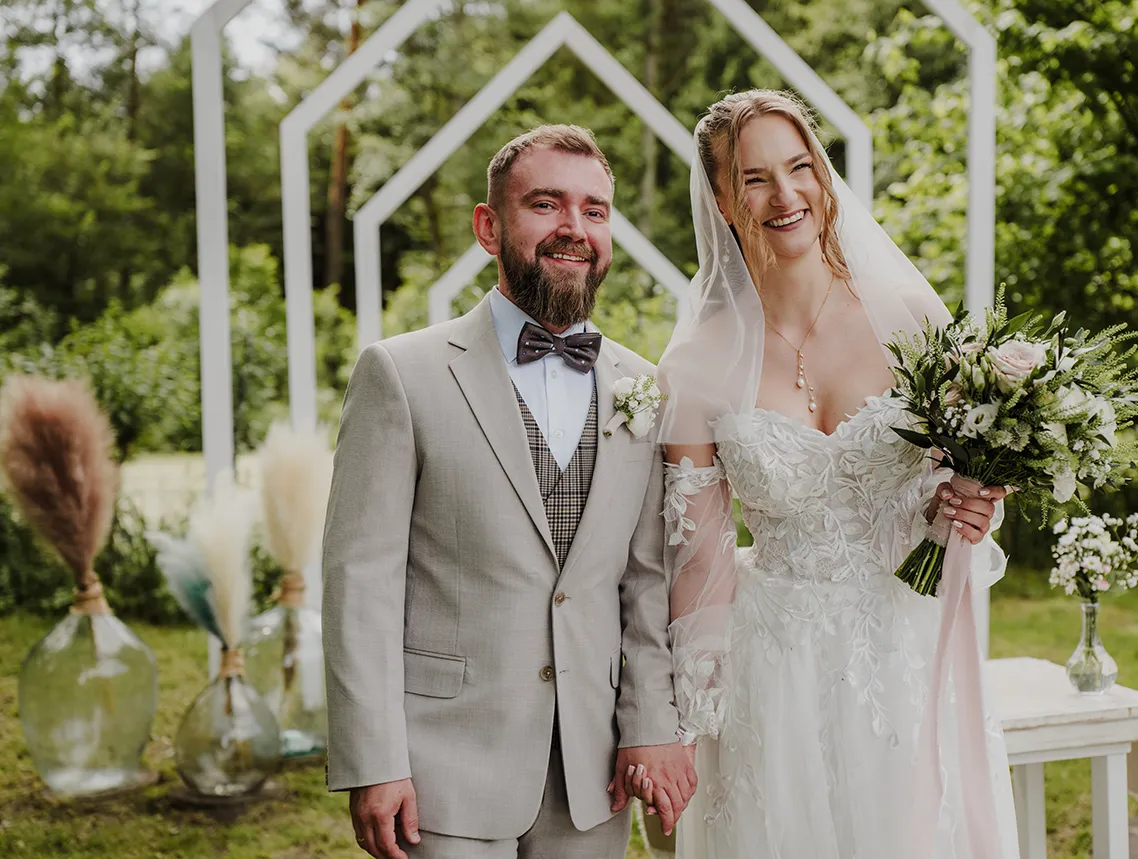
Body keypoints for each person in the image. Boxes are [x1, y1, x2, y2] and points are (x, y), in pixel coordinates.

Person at [649, 90, 1021, 859]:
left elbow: (961, 477)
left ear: (823, 174)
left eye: (799, 168)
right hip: (774, 666)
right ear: (721, 197)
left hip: (906, 654)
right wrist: (687, 724)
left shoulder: (910, 316)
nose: (785, 196)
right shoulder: (694, 364)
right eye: (754, 179)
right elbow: (700, 562)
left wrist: (971, 509)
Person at [321, 124, 695, 859]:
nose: (574, 229)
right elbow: (358, 579)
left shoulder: (643, 387)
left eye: (594, 210)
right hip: (442, 768)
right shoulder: (401, 374)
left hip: (592, 773)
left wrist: (649, 720)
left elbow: (647, 583)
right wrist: (374, 759)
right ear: (490, 227)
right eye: (546, 205)